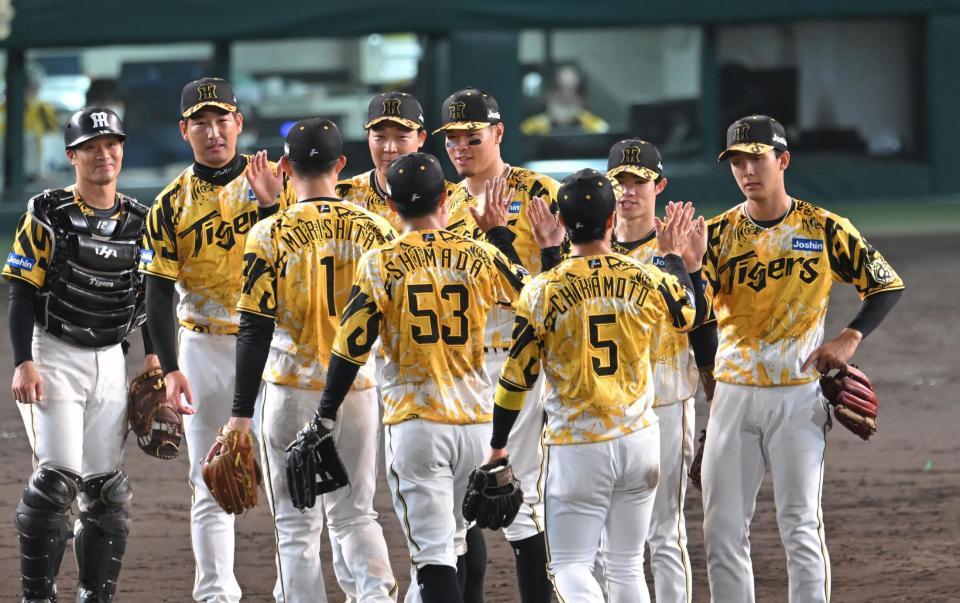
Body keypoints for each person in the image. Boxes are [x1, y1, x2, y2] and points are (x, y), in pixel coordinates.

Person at [291, 152, 529, 603]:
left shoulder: (380, 262)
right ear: (445, 199)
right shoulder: (479, 254)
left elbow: (351, 346)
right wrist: (498, 233)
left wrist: (325, 415)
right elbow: (532, 294)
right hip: (476, 425)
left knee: (433, 556)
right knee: (456, 542)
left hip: (417, 425)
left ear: (391, 205)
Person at [695, 115, 904, 602]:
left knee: (800, 524)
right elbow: (693, 314)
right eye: (737, 162)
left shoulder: (824, 228)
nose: (747, 171)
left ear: (783, 159)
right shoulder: (715, 234)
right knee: (721, 530)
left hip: (797, 398)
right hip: (732, 397)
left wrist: (850, 336)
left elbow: (886, 284)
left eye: (757, 158)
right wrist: (684, 266)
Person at [485, 168, 706, 602]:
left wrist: (498, 443)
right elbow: (687, 312)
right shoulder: (647, 277)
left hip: (577, 447)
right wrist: (673, 256)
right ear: (611, 220)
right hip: (639, 440)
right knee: (627, 565)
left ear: (562, 224)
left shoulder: (542, 290)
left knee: (569, 565)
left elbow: (516, 379)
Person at [215, 117, 397, 602]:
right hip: (356, 391)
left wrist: (239, 414)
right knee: (356, 514)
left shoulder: (269, 233)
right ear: (342, 164)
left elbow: (254, 328)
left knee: (296, 527)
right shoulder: (377, 230)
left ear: (283, 166)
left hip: (290, 393)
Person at [4, 107, 170, 602]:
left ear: (122, 149)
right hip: (53, 355)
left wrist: (154, 358)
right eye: (91, 147)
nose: (104, 154)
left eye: (111, 144)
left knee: (106, 491)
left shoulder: (141, 220)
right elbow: (20, 290)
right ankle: (38, 596)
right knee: (56, 481)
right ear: (72, 156)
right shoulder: (47, 212)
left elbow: (150, 296)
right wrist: (22, 361)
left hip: (111, 360)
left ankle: (95, 596)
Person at [140, 77, 295, 602]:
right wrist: (168, 367)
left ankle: (294, 589)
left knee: (285, 478)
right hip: (203, 346)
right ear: (183, 130)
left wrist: (272, 207)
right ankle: (215, 594)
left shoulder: (277, 182)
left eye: (221, 120)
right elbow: (157, 291)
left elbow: (300, 265)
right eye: (200, 123)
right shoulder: (169, 203)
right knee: (208, 477)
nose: (213, 132)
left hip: (275, 343)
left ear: (239, 123)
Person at [436, 86, 560, 603]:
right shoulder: (446, 201)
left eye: (472, 137)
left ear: (499, 133)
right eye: (452, 139)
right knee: (458, 505)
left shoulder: (541, 192)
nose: (461, 147)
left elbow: (564, 280)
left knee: (520, 499)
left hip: (519, 361)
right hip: (460, 368)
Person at [606, 139, 697, 602]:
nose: (628, 190)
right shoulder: (590, 245)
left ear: (658, 186)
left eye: (638, 181)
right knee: (606, 537)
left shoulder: (677, 246)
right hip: (603, 407)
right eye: (619, 181)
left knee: (664, 530)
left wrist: (686, 263)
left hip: (665, 400)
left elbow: (701, 321)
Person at [336, 90, 457, 232]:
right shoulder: (343, 197)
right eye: (380, 137)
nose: (390, 148)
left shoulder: (452, 199)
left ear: (421, 138)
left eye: (401, 137)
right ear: (368, 137)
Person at [520, 65, 609, 136]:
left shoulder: (598, 129)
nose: (565, 96)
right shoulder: (529, 129)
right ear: (548, 94)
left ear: (582, 98)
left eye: (573, 90)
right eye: (559, 88)